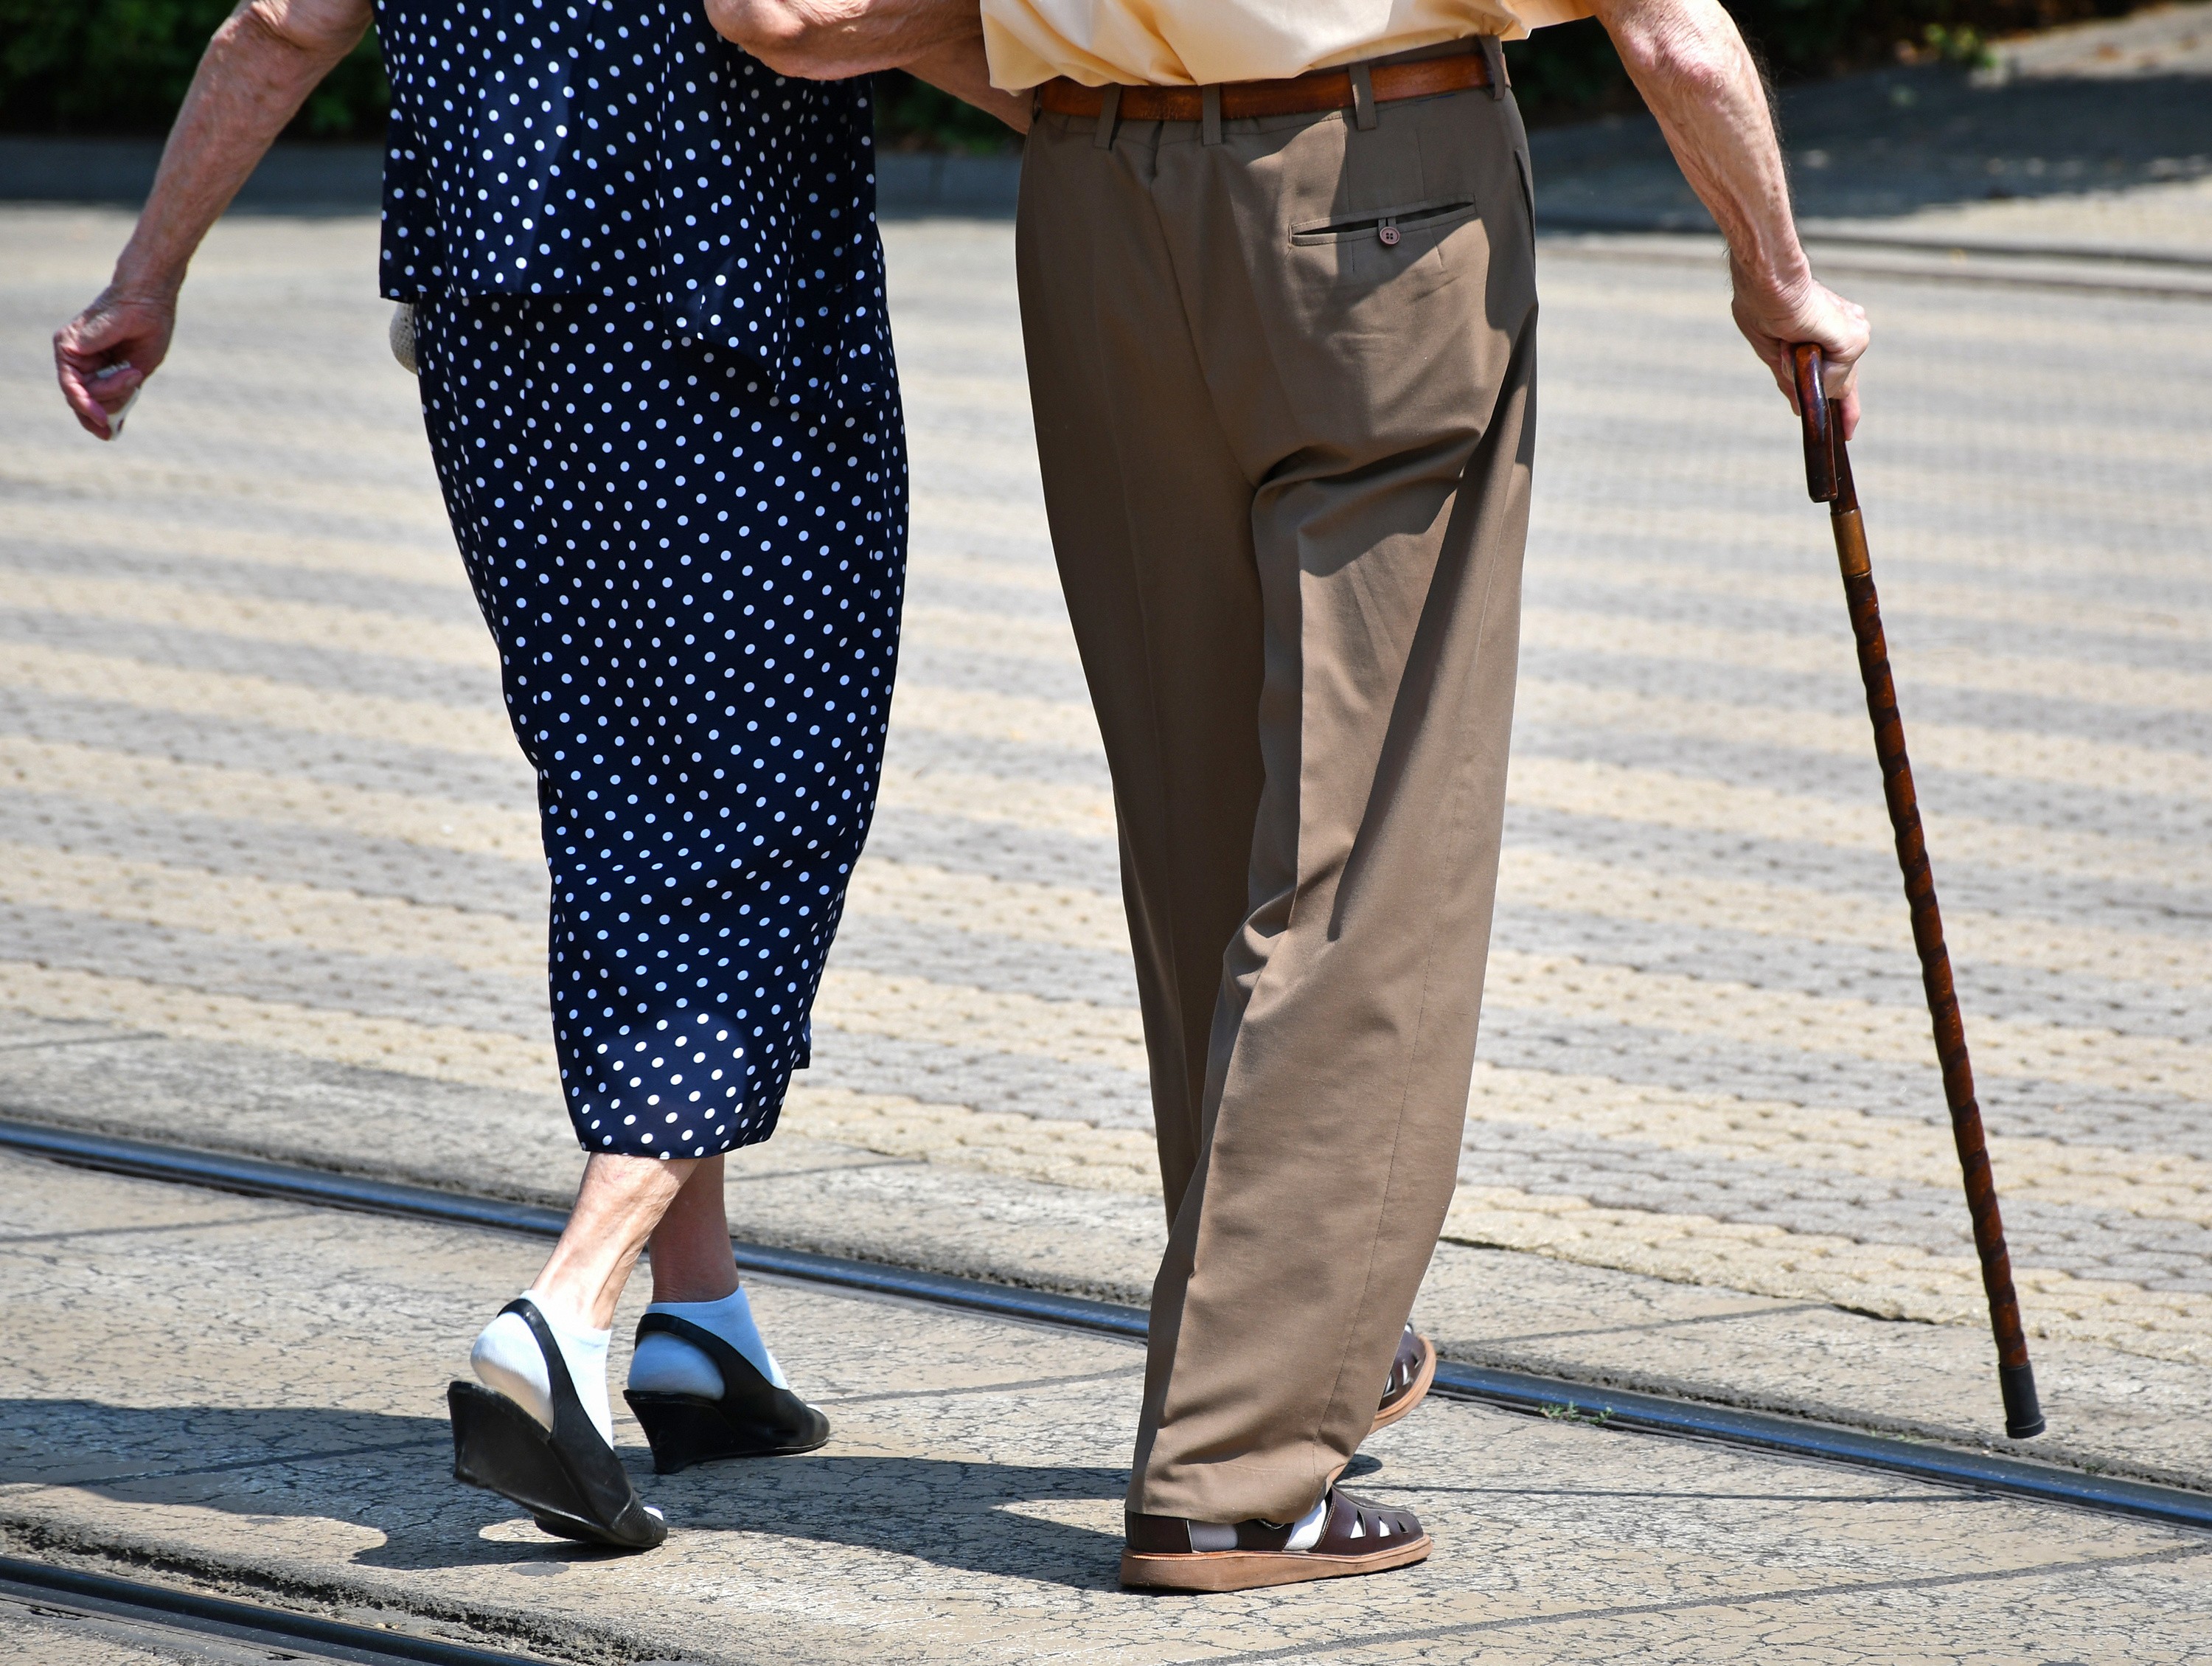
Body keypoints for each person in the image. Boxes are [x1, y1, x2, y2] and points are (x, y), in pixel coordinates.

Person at [725, 0, 1869, 1591]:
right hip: (1380, 199)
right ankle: (1236, 1470)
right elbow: (1670, 34)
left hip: (1092, 207)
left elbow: (787, 16)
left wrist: (1098, 83)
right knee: (1376, 837)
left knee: (1199, 816)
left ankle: (1298, 1316)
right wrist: (1778, 272)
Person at [53, 0, 994, 1549]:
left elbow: (280, 24)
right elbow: (799, 15)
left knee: (624, 789)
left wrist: (147, 274)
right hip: (721, 318)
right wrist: (1093, 92)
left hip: (493, 342)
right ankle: (561, 1313)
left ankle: (702, 1331)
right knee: (765, 802)